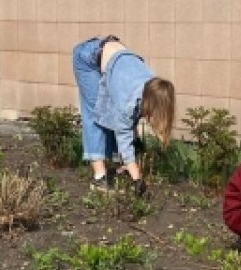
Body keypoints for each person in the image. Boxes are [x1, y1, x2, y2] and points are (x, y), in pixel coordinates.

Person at [71, 34, 175, 195]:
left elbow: (132, 117)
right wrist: (137, 179)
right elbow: (124, 132)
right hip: (87, 58)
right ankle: (99, 177)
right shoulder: (128, 100)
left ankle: (121, 165)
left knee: (116, 116)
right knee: (96, 114)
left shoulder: (155, 87)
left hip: (113, 55)